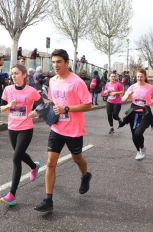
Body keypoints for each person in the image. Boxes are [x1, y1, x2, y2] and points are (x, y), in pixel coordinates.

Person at [33, 49, 92, 212]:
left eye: (59, 61)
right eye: (53, 62)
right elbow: (52, 102)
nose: (55, 65)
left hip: (74, 130)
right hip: (57, 128)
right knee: (51, 163)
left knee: (77, 159)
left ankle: (86, 176)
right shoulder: (52, 81)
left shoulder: (77, 82)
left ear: (67, 63)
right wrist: (41, 111)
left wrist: (67, 108)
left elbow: (88, 105)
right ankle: (48, 199)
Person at [0, 64, 42, 206]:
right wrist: (9, 106)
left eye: (16, 73)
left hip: (26, 128)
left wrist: (36, 111)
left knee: (16, 158)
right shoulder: (7, 90)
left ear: (24, 75)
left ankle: (11, 194)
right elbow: (1, 108)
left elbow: (42, 104)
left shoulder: (31, 91)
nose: (13, 76)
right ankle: (34, 166)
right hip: (12, 128)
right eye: (12, 73)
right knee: (21, 154)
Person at [121, 69, 153, 160]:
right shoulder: (132, 87)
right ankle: (139, 150)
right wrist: (127, 95)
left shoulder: (150, 87)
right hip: (134, 113)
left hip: (145, 113)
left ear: (145, 77)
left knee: (138, 133)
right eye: (138, 77)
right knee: (134, 135)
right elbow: (123, 99)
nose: (139, 78)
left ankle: (142, 148)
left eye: (141, 76)